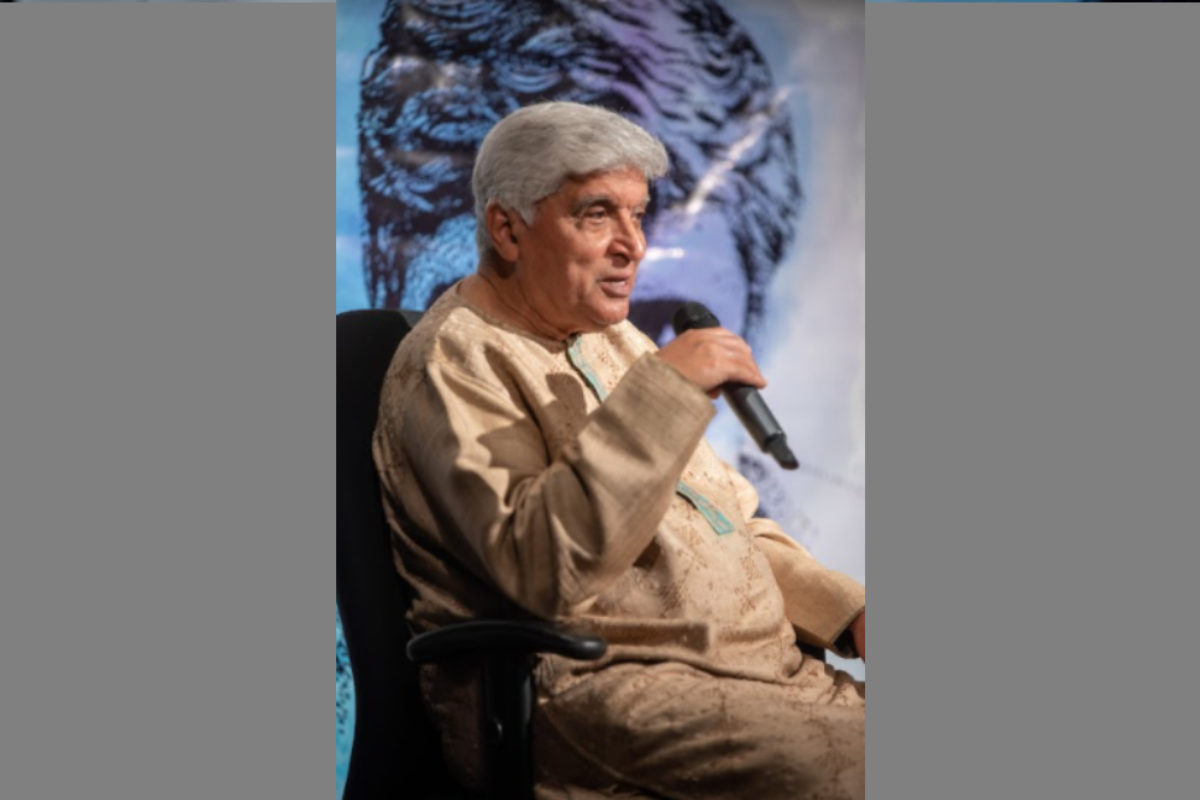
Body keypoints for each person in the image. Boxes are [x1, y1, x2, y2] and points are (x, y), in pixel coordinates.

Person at [373, 101, 865, 800]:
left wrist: (848, 613)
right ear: (508, 230)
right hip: (601, 690)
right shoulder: (453, 360)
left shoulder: (615, 340)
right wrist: (665, 394)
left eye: (638, 215)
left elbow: (728, 521)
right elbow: (540, 568)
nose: (633, 245)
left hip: (759, 673)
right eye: (597, 214)